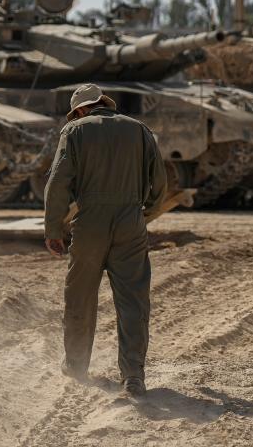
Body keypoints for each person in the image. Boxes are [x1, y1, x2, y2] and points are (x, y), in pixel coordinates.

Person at [43, 83, 167, 397]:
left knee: (81, 295)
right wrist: (143, 213)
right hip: (130, 220)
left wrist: (53, 230)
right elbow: (161, 182)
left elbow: (57, 183)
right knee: (133, 299)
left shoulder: (74, 132)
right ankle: (133, 377)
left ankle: (76, 365)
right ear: (104, 104)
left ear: (81, 110)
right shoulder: (139, 130)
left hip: (90, 223)